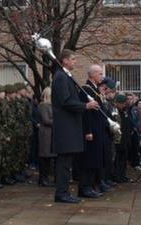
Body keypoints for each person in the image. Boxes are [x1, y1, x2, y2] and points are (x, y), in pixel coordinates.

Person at [52, 49, 99, 203]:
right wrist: (86, 106)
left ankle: (64, 192)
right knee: (64, 162)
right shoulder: (60, 77)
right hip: (65, 127)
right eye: (73, 59)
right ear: (65, 60)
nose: (75, 62)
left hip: (70, 126)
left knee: (67, 162)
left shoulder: (66, 76)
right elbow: (65, 101)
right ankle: (61, 193)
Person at [78, 64, 106, 199]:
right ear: (93, 74)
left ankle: (91, 185)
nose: (102, 76)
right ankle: (84, 187)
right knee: (88, 160)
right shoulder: (86, 89)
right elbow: (86, 113)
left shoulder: (95, 89)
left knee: (95, 160)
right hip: (91, 130)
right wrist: (88, 130)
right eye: (100, 73)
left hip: (98, 128)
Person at [37, 87, 56, 186]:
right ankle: (42, 178)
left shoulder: (51, 105)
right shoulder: (43, 106)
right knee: (44, 156)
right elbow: (46, 120)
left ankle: (46, 177)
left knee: (49, 156)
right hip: (45, 133)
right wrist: (58, 122)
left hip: (51, 133)